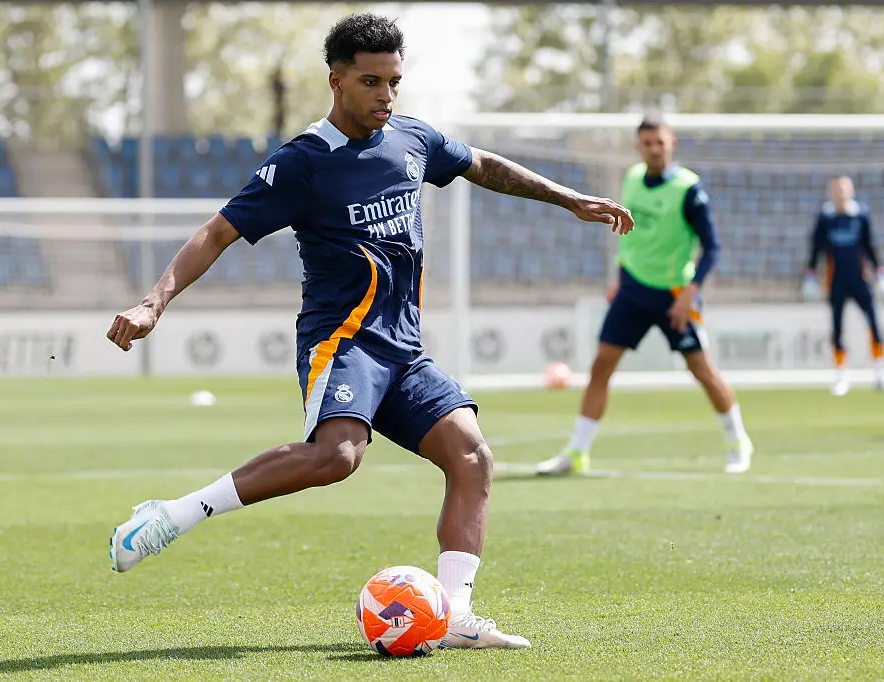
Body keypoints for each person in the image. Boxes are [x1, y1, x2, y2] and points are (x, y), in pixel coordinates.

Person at [105, 12, 633, 651]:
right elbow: (218, 231)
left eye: (394, 82)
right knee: (337, 458)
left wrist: (570, 198)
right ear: (336, 81)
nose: (386, 96)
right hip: (343, 340)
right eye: (371, 82)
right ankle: (171, 516)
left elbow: (482, 164)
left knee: (472, 456)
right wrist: (153, 304)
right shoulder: (303, 163)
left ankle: (456, 614)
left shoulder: (412, 138)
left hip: (404, 348)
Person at [537, 116, 752, 477]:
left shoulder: (689, 189)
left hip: (674, 294)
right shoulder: (633, 178)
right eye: (647, 143)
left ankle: (738, 442)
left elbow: (712, 247)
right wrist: (620, 278)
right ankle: (576, 452)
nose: (654, 149)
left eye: (660, 142)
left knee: (701, 369)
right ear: (638, 147)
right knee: (601, 364)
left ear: (672, 144)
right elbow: (630, 236)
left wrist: (690, 293)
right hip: (633, 289)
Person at [802, 176, 884, 396]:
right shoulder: (825, 219)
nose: (841, 193)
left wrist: (881, 274)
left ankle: (881, 374)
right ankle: (841, 377)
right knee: (837, 328)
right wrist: (810, 276)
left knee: (873, 324)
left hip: (860, 279)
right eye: (837, 189)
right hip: (836, 280)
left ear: (851, 191)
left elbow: (870, 246)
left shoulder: (861, 216)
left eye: (845, 189)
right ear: (832, 192)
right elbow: (816, 249)